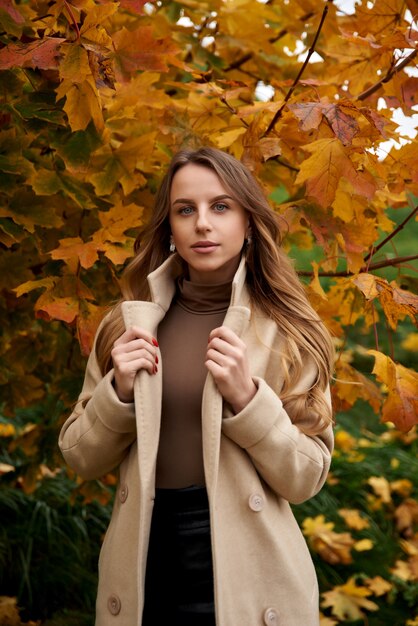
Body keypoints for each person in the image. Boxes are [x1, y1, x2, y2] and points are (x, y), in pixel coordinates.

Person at [59, 146, 335, 626]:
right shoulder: (127, 325)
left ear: (249, 221)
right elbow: (80, 457)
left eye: (221, 207)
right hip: (145, 557)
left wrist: (248, 401)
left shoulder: (290, 330)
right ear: (169, 227)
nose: (202, 224)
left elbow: (306, 478)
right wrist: (118, 391)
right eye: (185, 210)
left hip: (251, 568)